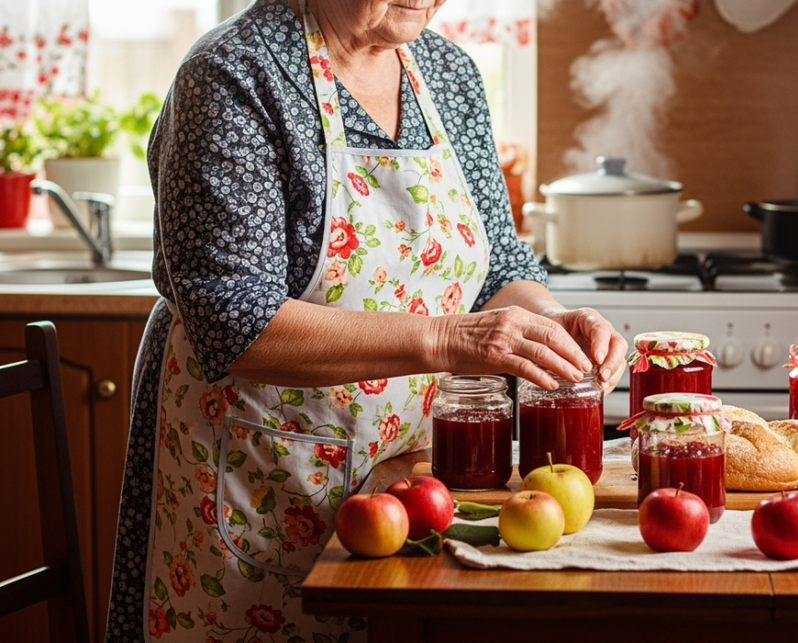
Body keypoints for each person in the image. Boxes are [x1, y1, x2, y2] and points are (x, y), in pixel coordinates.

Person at [105, 1, 627, 640]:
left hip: (410, 476)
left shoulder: (447, 72)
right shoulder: (232, 73)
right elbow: (234, 319)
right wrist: (450, 337)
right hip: (261, 472)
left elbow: (496, 269)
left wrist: (552, 319)